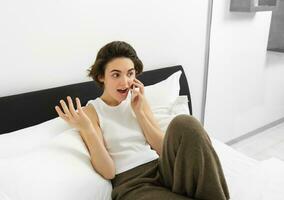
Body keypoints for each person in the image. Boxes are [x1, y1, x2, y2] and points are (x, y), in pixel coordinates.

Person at [54, 41, 230, 200]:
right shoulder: (91, 112)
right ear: (101, 76)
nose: (125, 82)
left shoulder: (138, 100)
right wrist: (87, 130)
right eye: (116, 75)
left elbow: (161, 148)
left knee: (185, 123)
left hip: (161, 169)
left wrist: (139, 113)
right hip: (132, 184)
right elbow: (108, 172)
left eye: (130, 74)